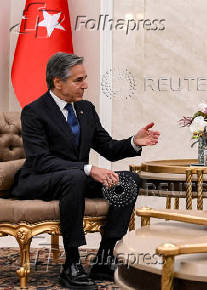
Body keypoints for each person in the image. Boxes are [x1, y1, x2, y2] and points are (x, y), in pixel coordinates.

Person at [11, 52, 160, 289]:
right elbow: (41, 161)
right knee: (75, 177)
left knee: (130, 180)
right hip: (39, 179)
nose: (85, 85)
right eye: (78, 80)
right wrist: (88, 169)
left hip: (75, 178)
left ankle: (105, 257)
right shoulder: (34, 112)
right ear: (58, 82)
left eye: (85, 78)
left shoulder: (85, 109)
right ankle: (72, 264)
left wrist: (134, 141)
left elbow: (108, 148)